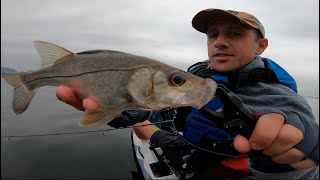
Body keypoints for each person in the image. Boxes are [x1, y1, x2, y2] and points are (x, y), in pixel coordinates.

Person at [56, 8, 319, 179]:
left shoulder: (272, 90)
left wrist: (305, 141)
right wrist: (112, 108)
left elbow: (292, 114)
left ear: (260, 46)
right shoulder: (200, 76)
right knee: (140, 124)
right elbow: (155, 108)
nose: (219, 42)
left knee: (144, 130)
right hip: (191, 151)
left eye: (235, 34)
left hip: (221, 168)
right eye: (212, 35)